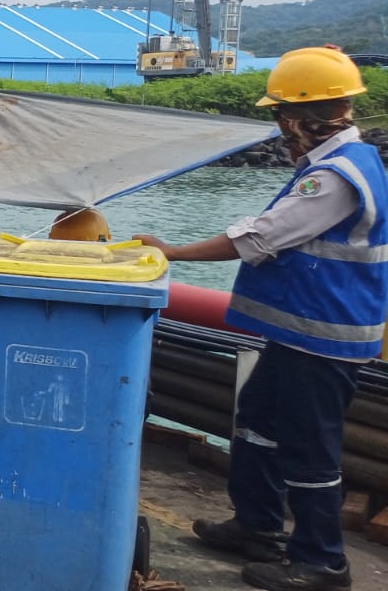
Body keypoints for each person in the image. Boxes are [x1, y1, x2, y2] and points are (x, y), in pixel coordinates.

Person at [134, 47, 385, 591]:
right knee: (257, 424)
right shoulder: (339, 162)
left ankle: (323, 562)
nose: (280, 127)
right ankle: (257, 526)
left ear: (300, 116)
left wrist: (173, 252)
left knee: (308, 446)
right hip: (298, 331)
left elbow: (261, 236)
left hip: (323, 338)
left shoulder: (336, 177)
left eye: (281, 114)